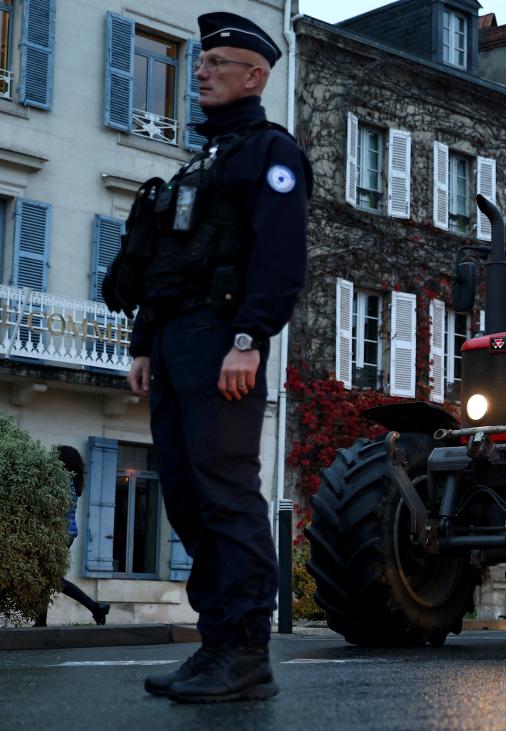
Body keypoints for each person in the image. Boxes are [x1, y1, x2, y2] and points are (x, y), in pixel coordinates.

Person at [104, 11, 310, 704]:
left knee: (225, 495)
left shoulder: (269, 154)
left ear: (255, 76)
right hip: (174, 344)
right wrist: (143, 341)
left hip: (225, 343)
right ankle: (218, 640)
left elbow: (280, 260)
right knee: (189, 499)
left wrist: (249, 340)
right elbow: (169, 259)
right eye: (201, 60)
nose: (200, 70)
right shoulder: (200, 162)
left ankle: (248, 648)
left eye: (217, 62)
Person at [35, 446, 110, 627]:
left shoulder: (63, 482)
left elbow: (55, 508)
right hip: (65, 534)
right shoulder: (69, 482)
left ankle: (95, 607)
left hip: (60, 535)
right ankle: (41, 621)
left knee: (52, 578)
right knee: (47, 578)